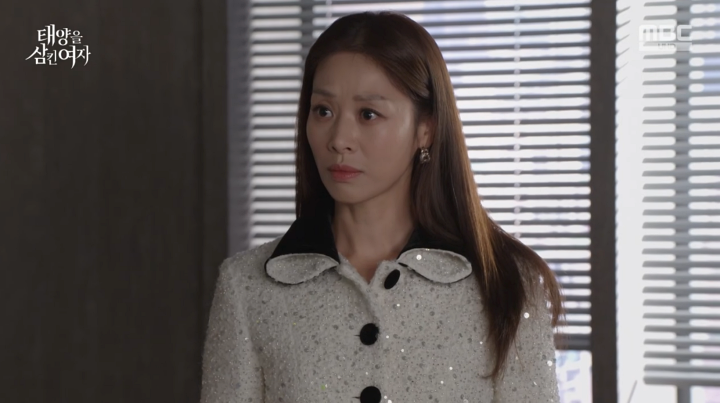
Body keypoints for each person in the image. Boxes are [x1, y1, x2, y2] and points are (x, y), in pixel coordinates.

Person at [200, 11, 563, 403]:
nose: (339, 138)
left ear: (426, 129)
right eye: (323, 111)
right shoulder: (246, 286)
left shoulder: (508, 283)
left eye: (368, 114)